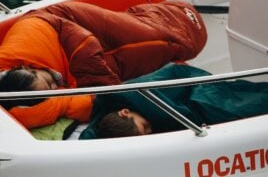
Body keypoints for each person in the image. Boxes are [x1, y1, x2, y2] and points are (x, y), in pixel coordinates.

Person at [0, 0, 207, 129]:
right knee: (152, 51)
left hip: (74, 27)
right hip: (90, 55)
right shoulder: (18, 102)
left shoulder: (26, 41)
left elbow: (80, 41)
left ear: (27, 67)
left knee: (159, 39)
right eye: (51, 91)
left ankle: (177, 19)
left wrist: (107, 92)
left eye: (48, 81)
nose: (55, 87)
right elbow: (47, 107)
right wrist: (64, 102)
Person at [79, 63, 268, 139]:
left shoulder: (125, 96)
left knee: (223, 108)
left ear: (125, 112)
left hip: (190, 85)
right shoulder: (108, 123)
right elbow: (90, 136)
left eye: (144, 127)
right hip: (185, 96)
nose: (150, 130)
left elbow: (184, 115)